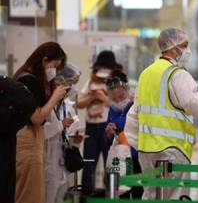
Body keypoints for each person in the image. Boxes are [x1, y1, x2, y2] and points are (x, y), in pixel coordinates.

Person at [124, 27, 198, 199]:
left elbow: (133, 116)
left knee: (151, 195)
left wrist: (139, 145)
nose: (188, 50)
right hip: (172, 150)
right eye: (185, 45)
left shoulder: (146, 74)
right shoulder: (177, 74)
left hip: (146, 151)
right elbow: (196, 105)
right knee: (174, 196)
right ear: (173, 48)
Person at [13, 42, 68, 203]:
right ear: (45, 60)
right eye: (55, 66)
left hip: (29, 140)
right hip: (28, 140)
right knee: (30, 194)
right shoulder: (29, 81)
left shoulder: (24, 77)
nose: (55, 72)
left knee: (32, 191)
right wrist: (55, 97)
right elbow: (36, 117)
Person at [78, 50, 121, 195]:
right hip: (91, 125)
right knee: (89, 160)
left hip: (108, 127)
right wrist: (92, 97)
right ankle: (86, 190)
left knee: (110, 160)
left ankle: (111, 191)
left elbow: (120, 105)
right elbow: (79, 102)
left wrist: (103, 98)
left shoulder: (117, 83)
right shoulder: (90, 82)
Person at [44, 64, 82, 203]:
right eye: (70, 83)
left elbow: (68, 133)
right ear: (59, 82)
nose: (72, 88)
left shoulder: (67, 105)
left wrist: (76, 141)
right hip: (48, 160)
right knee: (48, 196)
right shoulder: (46, 105)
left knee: (61, 196)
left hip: (63, 161)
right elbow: (42, 132)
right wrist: (61, 124)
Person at [104, 70, 143, 199]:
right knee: (122, 193)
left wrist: (118, 128)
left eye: (121, 97)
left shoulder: (137, 107)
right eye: (114, 99)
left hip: (136, 157)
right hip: (120, 159)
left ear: (128, 90)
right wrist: (109, 133)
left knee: (138, 192)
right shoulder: (113, 109)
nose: (118, 101)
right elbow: (107, 140)